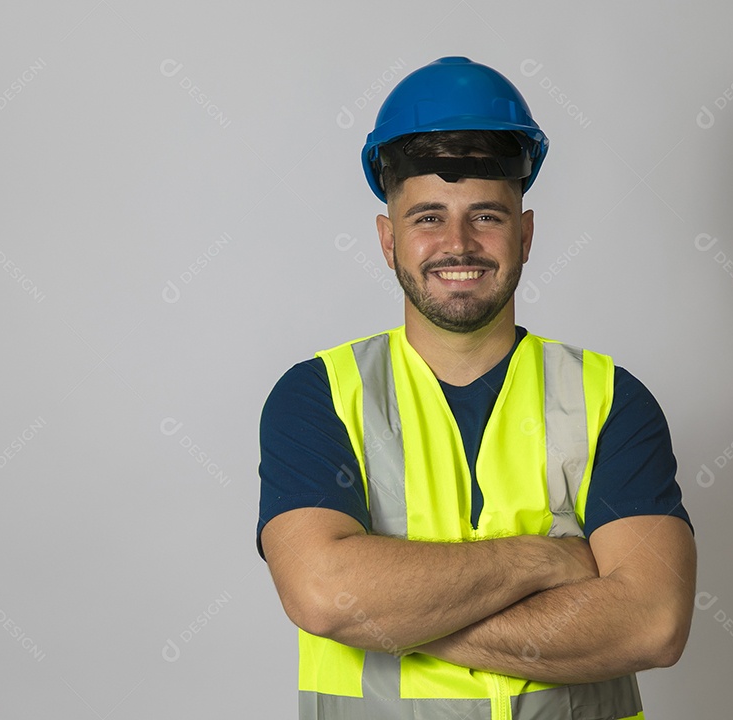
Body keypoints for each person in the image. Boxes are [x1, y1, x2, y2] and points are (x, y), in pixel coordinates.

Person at [257, 56, 696, 720]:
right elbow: (323, 594)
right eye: (428, 216)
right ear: (388, 240)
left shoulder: (610, 398)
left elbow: (653, 623)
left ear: (524, 234)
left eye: (486, 216)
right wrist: (550, 562)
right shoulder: (319, 397)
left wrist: (397, 619)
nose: (457, 243)